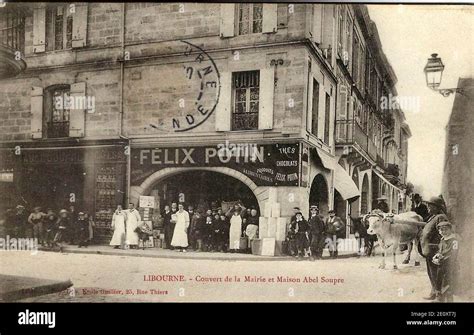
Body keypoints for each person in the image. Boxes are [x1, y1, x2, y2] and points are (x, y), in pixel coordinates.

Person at [419, 196, 449, 300]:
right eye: (427, 205)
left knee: (437, 274)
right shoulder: (433, 217)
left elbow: (444, 235)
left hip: (435, 251)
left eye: (430, 205)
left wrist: (440, 251)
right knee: (431, 273)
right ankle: (433, 292)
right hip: (429, 251)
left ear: (436, 207)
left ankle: (439, 296)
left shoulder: (440, 217)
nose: (428, 207)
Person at [432, 221, 459, 302]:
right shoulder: (443, 239)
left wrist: (442, 258)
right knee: (439, 280)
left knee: (448, 281)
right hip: (441, 264)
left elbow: (454, 254)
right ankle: (439, 298)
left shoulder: (454, 241)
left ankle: (449, 299)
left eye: (445, 230)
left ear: (450, 229)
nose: (443, 232)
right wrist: (436, 256)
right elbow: (440, 250)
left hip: (450, 264)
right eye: (441, 230)